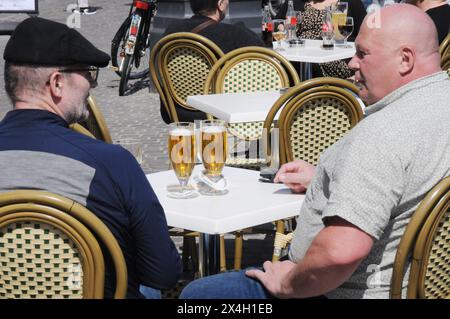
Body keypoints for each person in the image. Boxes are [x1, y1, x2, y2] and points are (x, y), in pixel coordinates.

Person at [179, 4, 450, 299]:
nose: (351, 63)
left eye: (362, 53)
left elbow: (339, 253)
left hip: (339, 290)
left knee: (199, 296)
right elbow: (408, 179)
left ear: (405, 59)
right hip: (429, 288)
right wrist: (328, 179)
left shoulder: (381, 135)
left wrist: (288, 283)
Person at [0, 17, 182, 298]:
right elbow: (164, 272)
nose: (92, 86)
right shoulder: (111, 162)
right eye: (87, 74)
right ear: (57, 83)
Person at [160, 0, 265, 124]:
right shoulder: (235, 34)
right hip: (220, 114)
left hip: (178, 112)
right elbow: (265, 65)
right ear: (220, 4)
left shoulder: (172, 31)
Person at [276, 0, 367, 79]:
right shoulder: (295, 2)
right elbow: (277, 23)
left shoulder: (351, 2)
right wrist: (282, 27)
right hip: (298, 54)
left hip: (334, 57)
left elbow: (366, 34)